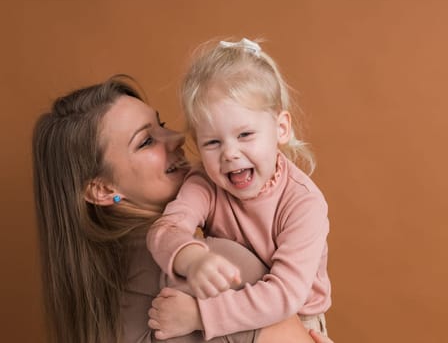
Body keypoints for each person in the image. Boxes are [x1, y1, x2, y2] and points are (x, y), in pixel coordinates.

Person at [32, 75, 334, 343]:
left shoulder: (101, 288)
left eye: (161, 124)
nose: (177, 137)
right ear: (103, 189)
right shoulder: (220, 269)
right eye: (146, 141)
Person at [147, 38, 331, 341]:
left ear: (280, 128)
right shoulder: (203, 184)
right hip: (231, 303)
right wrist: (192, 259)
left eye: (245, 134)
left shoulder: (304, 203)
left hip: (292, 317)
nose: (230, 154)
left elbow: (284, 294)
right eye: (212, 142)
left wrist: (198, 315)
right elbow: (165, 229)